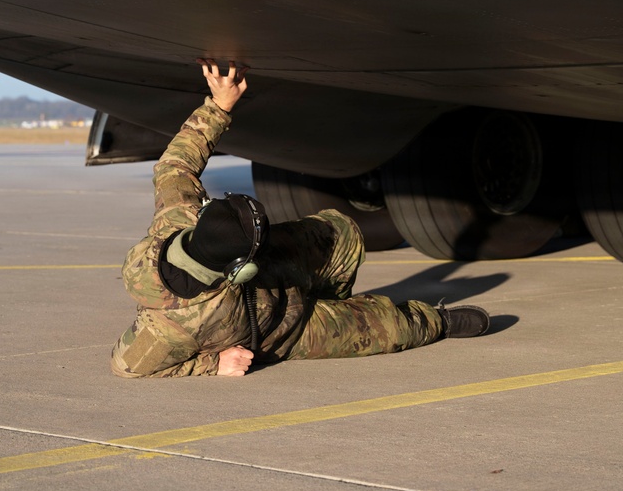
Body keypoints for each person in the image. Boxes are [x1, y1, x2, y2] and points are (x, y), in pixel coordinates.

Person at [111, 60, 490, 378]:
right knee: (388, 329)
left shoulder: (177, 219)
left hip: (277, 264)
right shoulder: (171, 330)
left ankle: (333, 298)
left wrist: (220, 105)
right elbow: (126, 366)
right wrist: (214, 364)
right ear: (240, 269)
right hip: (287, 328)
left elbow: (175, 163)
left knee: (342, 231)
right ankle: (438, 322)